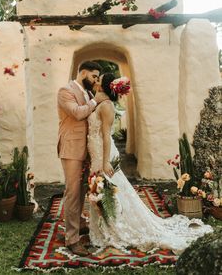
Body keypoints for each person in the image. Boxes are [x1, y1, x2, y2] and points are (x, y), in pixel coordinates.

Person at [87, 73, 213, 255]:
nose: (96, 82)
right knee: (102, 189)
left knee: (108, 189)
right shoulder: (99, 103)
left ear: (105, 86)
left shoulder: (106, 106)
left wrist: (105, 161)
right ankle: (105, 225)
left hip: (103, 153)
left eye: (99, 80)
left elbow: (106, 136)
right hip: (96, 152)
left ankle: (118, 226)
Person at [57, 61, 106, 257]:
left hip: (87, 148)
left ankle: (79, 224)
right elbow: (78, 113)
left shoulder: (89, 93)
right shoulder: (65, 90)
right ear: (83, 72)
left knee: (84, 189)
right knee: (73, 193)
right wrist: (96, 101)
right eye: (93, 76)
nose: (95, 81)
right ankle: (72, 239)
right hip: (71, 148)